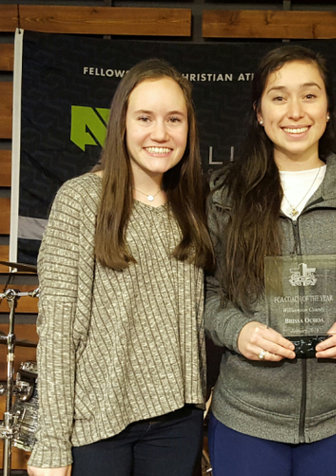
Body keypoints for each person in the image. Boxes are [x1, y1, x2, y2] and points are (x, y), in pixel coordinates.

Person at [204, 45, 336, 476]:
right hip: (247, 416)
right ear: (258, 111)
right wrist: (238, 330)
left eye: (309, 95)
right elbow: (206, 292)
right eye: (278, 96)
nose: (295, 111)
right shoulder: (225, 196)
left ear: (328, 109)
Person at [27, 58, 214, 476]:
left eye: (174, 119)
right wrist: (52, 443)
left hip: (178, 422)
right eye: (145, 117)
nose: (160, 133)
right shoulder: (80, 200)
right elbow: (58, 330)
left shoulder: (196, 206)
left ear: (189, 128)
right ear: (122, 124)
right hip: (98, 423)